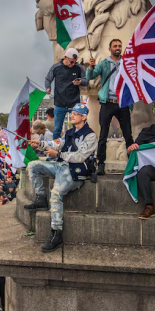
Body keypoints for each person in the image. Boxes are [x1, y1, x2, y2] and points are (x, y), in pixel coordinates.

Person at [24, 103, 98, 252]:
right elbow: (56, 143)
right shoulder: (69, 132)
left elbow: (80, 156)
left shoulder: (90, 136)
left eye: (76, 114)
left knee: (56, 193)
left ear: (84, 117)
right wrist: (40, 144)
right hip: (61, 165)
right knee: (32, 166)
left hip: (75, 171)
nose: (72, 115)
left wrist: (58, 154)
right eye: (73, 113)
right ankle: (40, 198)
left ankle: (56, 233)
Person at [86, 38, 134, 174]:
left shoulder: (127, 63)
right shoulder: (104, 63)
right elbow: (91, 76)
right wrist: (91, 67)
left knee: (128, 134)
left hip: (122, 103)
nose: (117, 48)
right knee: (103, 135)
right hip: (108, 102)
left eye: (119, 46)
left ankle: (132, 163)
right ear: (110, 49)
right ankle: (100, 164)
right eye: (115, 46)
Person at [44, 48, 88, 140]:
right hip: (60, 103)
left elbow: (86, 80)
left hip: (74, 103)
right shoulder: (56, 67)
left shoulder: (78, 67)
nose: (73, 64)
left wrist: (80, 81)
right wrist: (48, 87)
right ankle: (56, 146)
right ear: (65, 57)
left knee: (77, 127)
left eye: (75, 62)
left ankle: (76, 144)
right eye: (71, 62)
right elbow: (48, 78)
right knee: (57, 129)